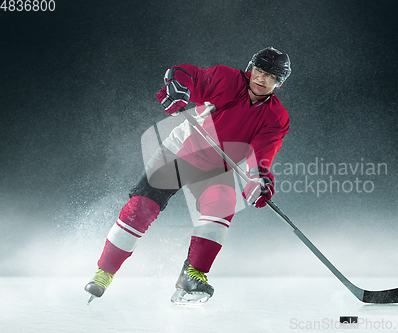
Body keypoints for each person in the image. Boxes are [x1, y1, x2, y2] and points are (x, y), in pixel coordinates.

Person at [84, 46, 292, 304]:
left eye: (270, 76)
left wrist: (258, 180)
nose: (261, 79)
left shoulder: (277, 117)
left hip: (218, 170)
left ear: (279, 83)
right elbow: (188, 75)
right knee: (141, 208)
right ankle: (104, 272)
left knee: (221, 209)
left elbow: (262, 153)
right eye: (259, 71)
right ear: (251, 68)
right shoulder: (226, 79)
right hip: (180, 152)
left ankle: (191, 276)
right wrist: (178, 86)